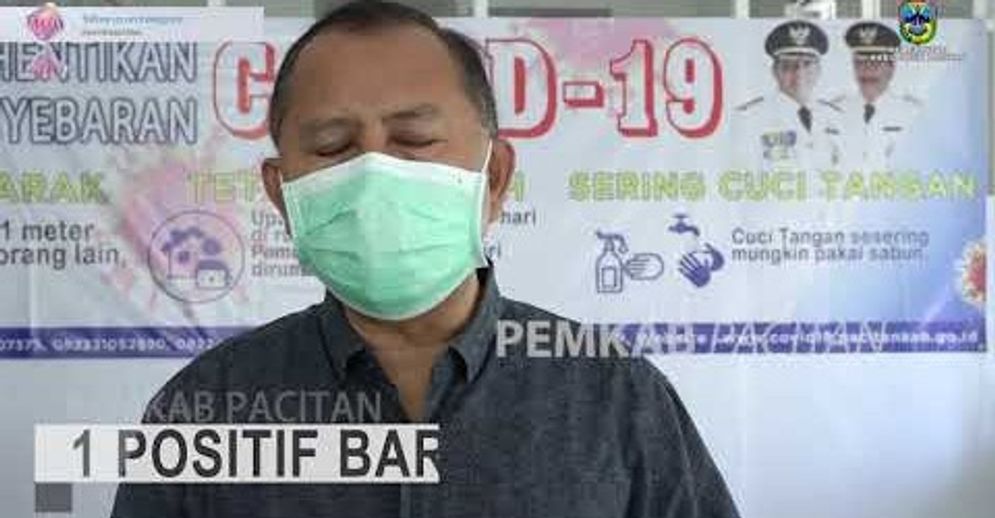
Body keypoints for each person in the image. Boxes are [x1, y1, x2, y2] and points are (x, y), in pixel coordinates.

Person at [111, 2, 740, 517]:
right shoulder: (204, 410)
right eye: (332, 146)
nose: (374, 174)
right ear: (281, 193)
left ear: (495, 176)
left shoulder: (616, 398)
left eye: (414, 139)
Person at [734, 20, 842, 173]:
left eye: (807, 64)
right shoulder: (749, 118)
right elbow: (740, 177)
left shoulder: (836, 117)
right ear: (775, 71)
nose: (799, 74)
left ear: (819, 70)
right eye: (789, 66)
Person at [831, 21, 922, 172]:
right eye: (860, 63)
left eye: (875, 64)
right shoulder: (833, 111)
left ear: (891, 68)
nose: (867, 72)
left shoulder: (913, 113)